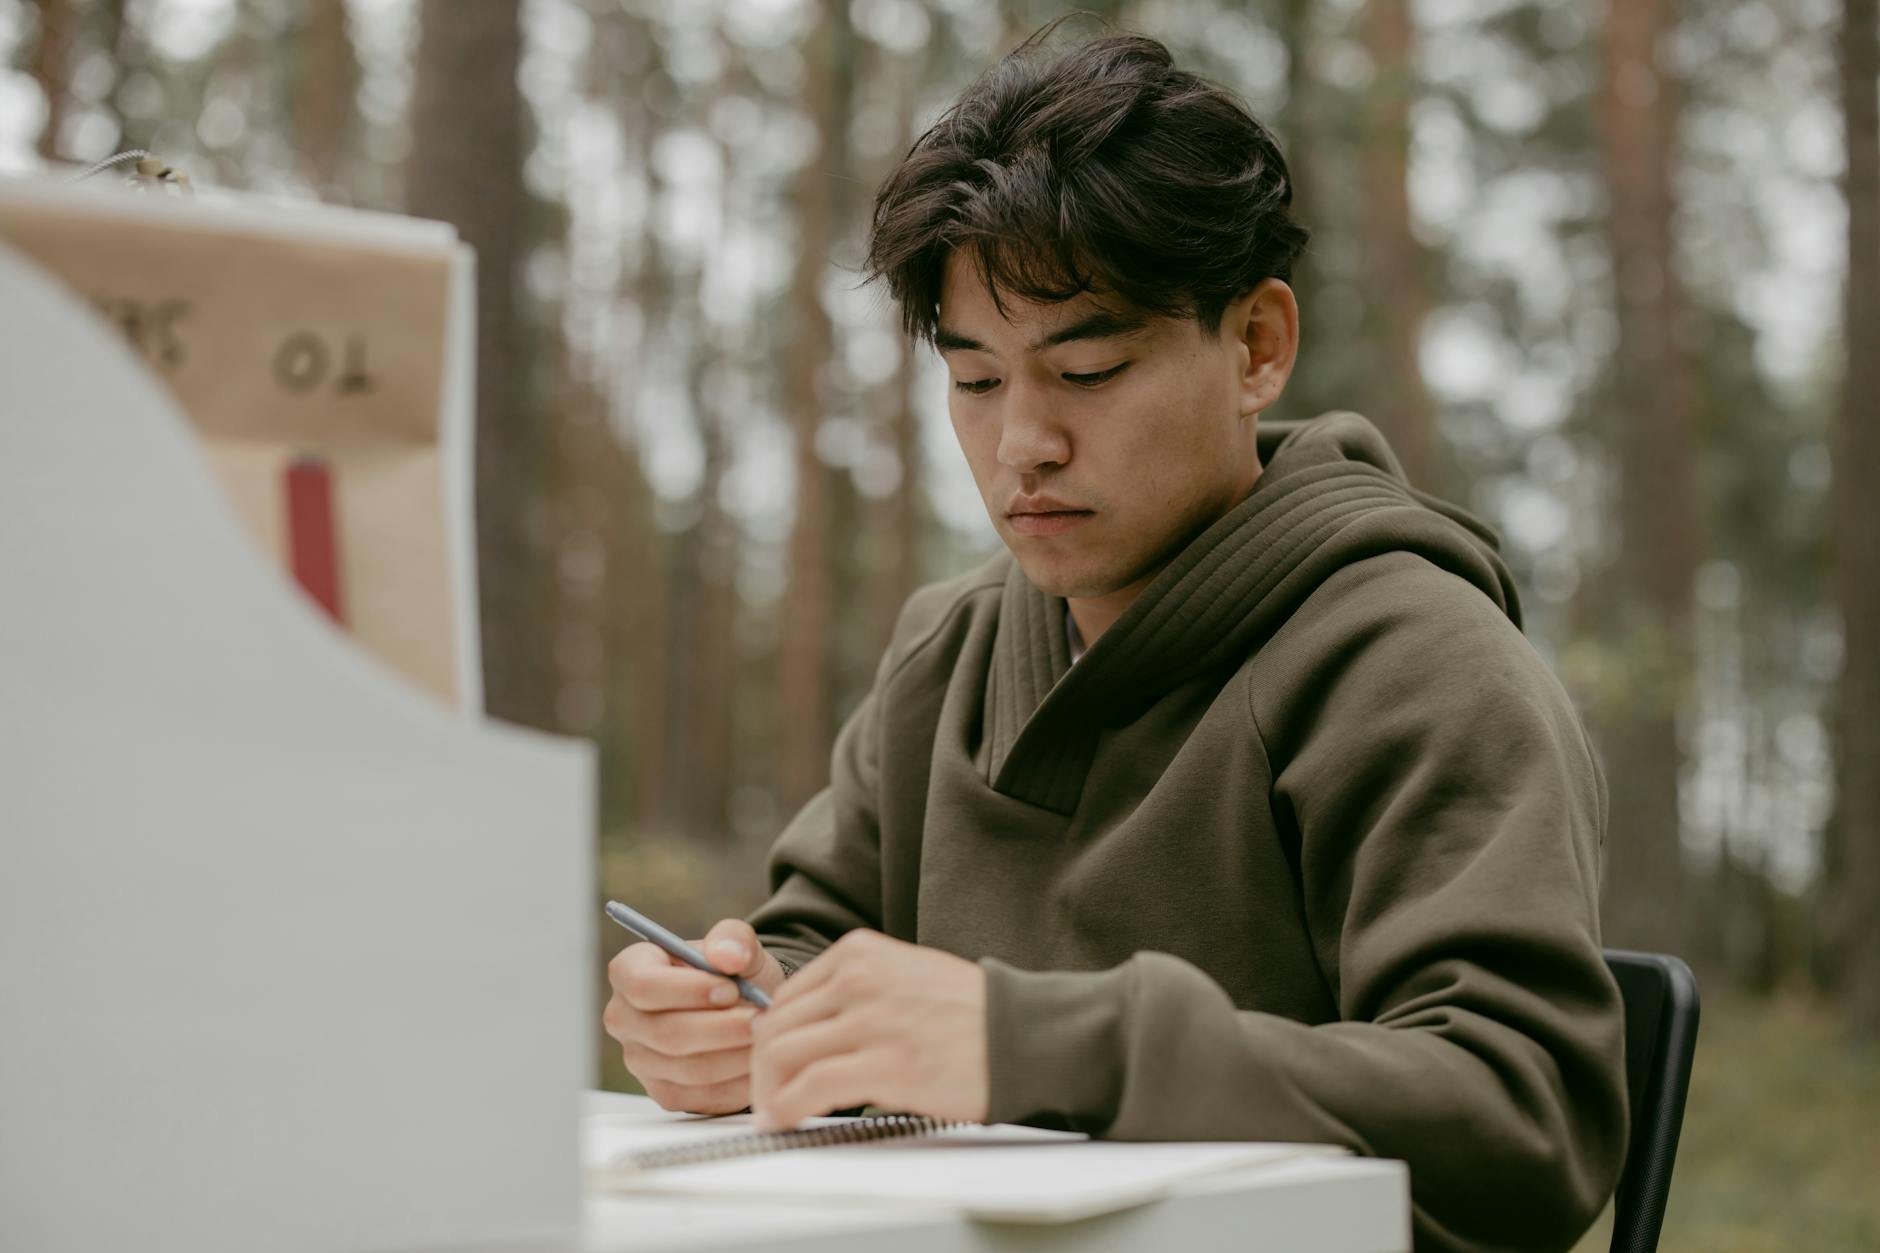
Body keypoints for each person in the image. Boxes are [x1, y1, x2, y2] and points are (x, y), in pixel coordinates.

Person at [602, 26, 1627, 1253]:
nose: (1020, 443)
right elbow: (812, 934)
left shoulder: (1411, 658)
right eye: (975, 382)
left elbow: (1523, 1116)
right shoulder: (952, 645)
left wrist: (1027, 1042)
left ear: (1255, 346)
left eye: (1084, 368)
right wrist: (741, 1012)